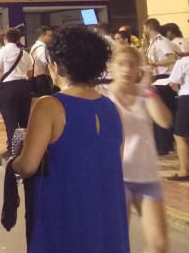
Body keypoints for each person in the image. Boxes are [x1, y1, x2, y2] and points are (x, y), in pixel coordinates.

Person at [13, 26, 128, 253]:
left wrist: (13, 161)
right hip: (107, 217)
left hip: (64, 214)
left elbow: (27, 166)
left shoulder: (48, 106)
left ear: (56, 66)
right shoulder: (112, 109)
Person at [108, 46, 171, 253]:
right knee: (116, 244)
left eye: (132, 64)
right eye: (121, 64)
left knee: (158, 244)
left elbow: (164, 121)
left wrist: (149, 87)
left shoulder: (146, 95)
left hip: (147, 177)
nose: (127, 69)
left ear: (139, 69)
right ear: (112, 67)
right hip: (117, 179)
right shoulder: (104, 98)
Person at [0, 28, 34, 155]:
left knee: (10, 120)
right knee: (24, 119)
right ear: (18, 39)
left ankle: (13, 151)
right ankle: (26, 149)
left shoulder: (1, 52)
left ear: (5, 39)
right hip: (24, 87)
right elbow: (30, 74)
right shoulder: (25, 54)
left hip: (8, 88)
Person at [145, 18, 179, 156]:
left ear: (149, 28)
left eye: (144, 28)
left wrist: (155, 65)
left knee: (162, 116)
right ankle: (164, 146)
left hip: (164, 82)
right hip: (157, 81)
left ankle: (164, 147)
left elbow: (171, 58)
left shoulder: (161, 41)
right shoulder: (153, 43)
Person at [169, 52, 189, 180]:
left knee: (180, 135)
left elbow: (173, 83)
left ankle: (184, 171)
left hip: (187, 97)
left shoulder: (184, 61)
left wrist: (178, 89)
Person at [29, 27, 55, 97]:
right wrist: (54, 76)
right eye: (49, 36)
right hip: (42, 79)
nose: (51, 38)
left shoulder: (36, 46)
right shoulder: (41, 48)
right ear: (42, 35)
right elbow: (46, 64)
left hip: (39, 78)